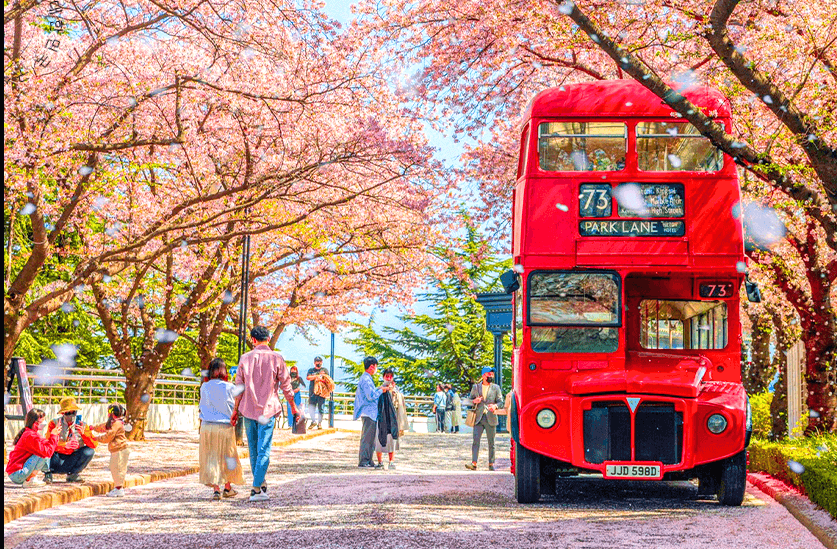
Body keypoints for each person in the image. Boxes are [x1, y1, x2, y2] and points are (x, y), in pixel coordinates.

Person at [232, 326, 299, 501]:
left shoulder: (245, 358)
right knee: (264, 449)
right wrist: (293, 407)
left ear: (253, 340)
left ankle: (260, 484)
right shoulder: (277, 358)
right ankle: (256, 488)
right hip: (268, 410)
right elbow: (286, 386)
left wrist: (235, 409)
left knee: (253, 449)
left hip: (248, 409)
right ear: (268, 339)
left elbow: (239, 387)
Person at [199, 358, 244, 500]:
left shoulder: (204, 387)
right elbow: (234, 405)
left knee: (211, 457)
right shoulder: (230, 387)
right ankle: (228, 487)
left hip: (207, 426)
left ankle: (216, 489)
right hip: (225, 426)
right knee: (227, 457)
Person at [45, 396, 97, 483]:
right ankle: (48, 474)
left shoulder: (82, 425)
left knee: (89, 451)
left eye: (74, 412)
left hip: (72, 458)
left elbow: (94, 444)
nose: (71, 415)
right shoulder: (54, 423)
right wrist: (64, 445)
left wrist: (84, 434)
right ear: (63, 413)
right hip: (57, 459)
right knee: (43, 448)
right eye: (68, 413)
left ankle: (73, 474)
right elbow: (47, 443)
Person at [353, 356, 391, 468]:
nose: (376, 369)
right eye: (375, 366)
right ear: (371, 366)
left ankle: (369, 460)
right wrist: (382, 390)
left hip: (371, 413)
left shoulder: (367, 378)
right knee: (367, 438)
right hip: (368, 412)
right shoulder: (366, 379)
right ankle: (364, 461)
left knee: (371, 438)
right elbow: (371, 396)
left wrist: (379, 388)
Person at [6, 408, 60, 485]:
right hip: (18, 474)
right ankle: (30, 480)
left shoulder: (32, 433)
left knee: (45, 451)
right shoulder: (30, 436)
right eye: (42, 420)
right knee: (43, 454)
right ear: (35, 423)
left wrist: (55, 435)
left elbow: (48, 444)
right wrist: (53, 436)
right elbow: (47, 452)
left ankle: (30, 479)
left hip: (17, 474)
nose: (45, 422)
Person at [465, 367, 504, 471]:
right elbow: (469, 401)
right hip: (478, 418)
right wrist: (474, 401)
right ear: (483, 375)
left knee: (492, 443)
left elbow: (501, 402)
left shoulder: (496, 388)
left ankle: (491, 464)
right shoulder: (476, 387)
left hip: (491, 418)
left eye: (492, 374)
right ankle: (474, 463)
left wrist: (495, 406)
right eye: (489, 374)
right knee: (475, 441)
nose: (491, 376)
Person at [91, 403, 131, 497]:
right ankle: (118, 488)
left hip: (120, 450)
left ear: (112, 413)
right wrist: (93, 428)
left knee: (118, 469)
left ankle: (119, 489)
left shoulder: (117, 424)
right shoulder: (115, 422)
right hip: (117, 450)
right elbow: (104, 426)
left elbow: (108, 436)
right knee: (115, 468)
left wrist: (96, 438)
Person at [375, 368, 408, 470]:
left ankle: (391, 461)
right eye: (387, 376)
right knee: (379, 440)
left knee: (392, 440)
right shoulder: (379, 389)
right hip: (381, 418)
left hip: (393, 418)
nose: (388, 378)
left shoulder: (396, 390)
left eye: (390, 376)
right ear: (383, 377)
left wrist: (393, 392)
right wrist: (383, 390)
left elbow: (399, 404)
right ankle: (380, 462)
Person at [306, 356, 327, 429]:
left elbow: (327, 379)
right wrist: (317, 376)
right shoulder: (311, 370)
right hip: (312, 392)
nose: (319, 363)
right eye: (317, 361)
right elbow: (308, 377)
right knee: (311, 408)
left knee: (321, 408)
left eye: (320, 361)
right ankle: (313, 421)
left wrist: (319, 378)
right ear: (314, 362)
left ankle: (320, 423)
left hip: (321, 393)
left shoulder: (325, 370)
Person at [287, 365, 305, 430]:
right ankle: (290, 424)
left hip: (297, 394)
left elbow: (304, 385)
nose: (293, 371)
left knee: (297, 408)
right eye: (292, 370)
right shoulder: (288, 378)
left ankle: (297, 423)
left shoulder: (299, 378)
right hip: (290, 394)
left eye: (294, 370)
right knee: (290, 408)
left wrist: (298, 388)